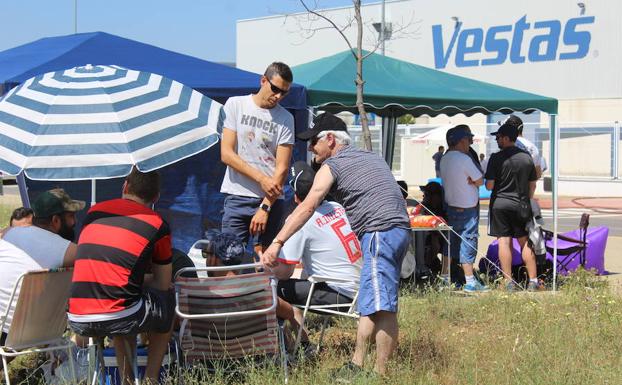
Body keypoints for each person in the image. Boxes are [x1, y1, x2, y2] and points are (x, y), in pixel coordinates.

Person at [261, 112, 410, 376]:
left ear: (330, 139)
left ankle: (380, 374)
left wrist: (277, 242)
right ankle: (357, 364)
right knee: (370, 302)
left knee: (384, 307)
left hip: (379, 232)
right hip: (396, 230)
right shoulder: (370, 156)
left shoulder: (334, 165)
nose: (310, 148)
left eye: (313, 141)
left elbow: (308, 206)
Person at [68, 168, 174, 384]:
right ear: (156, 198)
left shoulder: (93, 213)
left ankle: (127, 379)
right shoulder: (157, 224)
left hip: (77, 317)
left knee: (123, 301)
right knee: (167, 302)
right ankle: (151, 379)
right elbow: (162, 284)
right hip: (119, 314)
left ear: (125, 186)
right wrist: (137, 280)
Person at [269, 161, 362, 350]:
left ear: (296, 198)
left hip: (341, 295)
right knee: (289, 284)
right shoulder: (337, 207)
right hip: (362, 290)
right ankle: (300, 341)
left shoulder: (299, 220)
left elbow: (284, 272)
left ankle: (296, 345)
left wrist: (262, 266)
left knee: (270, 288)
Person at [220, 62, 295, 256]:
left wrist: (265, 207)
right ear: (263, 80)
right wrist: (261, 179)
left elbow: (282, 168)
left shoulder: (286, 118)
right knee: (229, 261)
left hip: (269, 201)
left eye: (284, 92)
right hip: (237, 195)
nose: (278, 96)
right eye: (275, 89)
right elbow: (226, 154)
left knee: (264, 265)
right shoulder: (236, 104)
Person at [485, 122, 542, 291]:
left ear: (506, 138)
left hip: (500, 204)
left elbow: (489, 186)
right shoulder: (526, 158)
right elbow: (533, 184)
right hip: (521, 205)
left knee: (504, 242)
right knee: (525, 242)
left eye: (499, 137)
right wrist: (526, 200)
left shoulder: (496, 158)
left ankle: (508, 281)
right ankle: (533, 281)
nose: (497, 140)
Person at [439, 126, 487, 292]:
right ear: (461, 140)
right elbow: (480, 180)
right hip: (468, 209)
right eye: (469, 140)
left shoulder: (444, 159)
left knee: (449, 244)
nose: (470, 144)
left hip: (451, 207)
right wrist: (473, 181)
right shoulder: (464, 159)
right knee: (468, 242)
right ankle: (470, 281)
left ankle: (444, 278)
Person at [2, 189, 83, 267]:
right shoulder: (69, 251)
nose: (75, 221)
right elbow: (85, 255)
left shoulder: (7, 234)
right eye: (71, 216)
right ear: (55, 220)